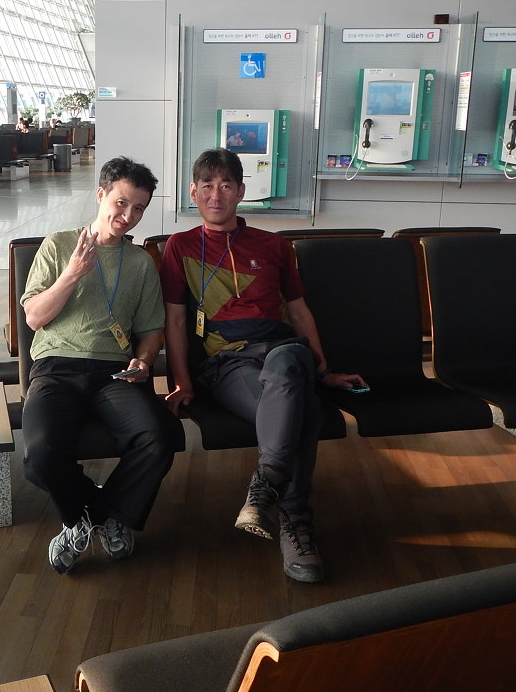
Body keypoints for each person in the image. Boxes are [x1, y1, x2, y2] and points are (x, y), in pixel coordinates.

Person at [159, 148, 366, 585]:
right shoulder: (180, 247)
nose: (216, 195)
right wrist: (181, 381)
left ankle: (265, 486)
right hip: (228, 364)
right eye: (208, 186)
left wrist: (323, 369)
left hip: (283, 351)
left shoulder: (274, 246)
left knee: (290, 359)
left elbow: (299, 311)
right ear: (193, 192)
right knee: (302, 410)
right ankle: (295, 518)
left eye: (226, 185)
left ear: (242, 192)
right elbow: (174, 321)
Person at [21, 156, 178, 575]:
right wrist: (72, 273)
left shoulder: (140, 262)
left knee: (161, 436)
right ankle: (93, 514)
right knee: (39, 456)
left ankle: (97, 516)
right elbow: (34, 317)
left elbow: (151, 330)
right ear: (101, 194)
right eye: (121, 203)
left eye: (139, 208)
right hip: (56, 368)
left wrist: (145, 360)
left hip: (113, 373)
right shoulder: (58, 245)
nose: (128, 216)